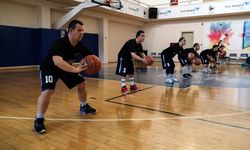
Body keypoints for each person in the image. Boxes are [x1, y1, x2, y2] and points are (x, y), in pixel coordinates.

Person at [34, 20, 96, 134]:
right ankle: (39, 119)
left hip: (65, 68)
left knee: (82, 83)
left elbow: (90, 56)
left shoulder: (79, 44)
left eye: (83, 30)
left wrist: (95, 61)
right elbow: (57, 62)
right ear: (70, 31)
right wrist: (76, 69)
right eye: (79, 30)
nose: (81, 33)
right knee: (48, 91)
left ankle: (84, 106)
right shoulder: (60, 43)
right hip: (50, 68)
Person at [115, 30, 148, 95]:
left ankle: (132, 85)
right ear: (138, 36)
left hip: (129, 58)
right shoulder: (132, 42)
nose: (143, 37)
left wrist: (146, 58)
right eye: (142, 36)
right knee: (124, 72)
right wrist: (142, 60)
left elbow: (142, 53)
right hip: (123, 56)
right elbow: (133, 54)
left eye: (144, 36)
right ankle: (123, 87)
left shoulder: (139, 44)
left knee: (131, 71)